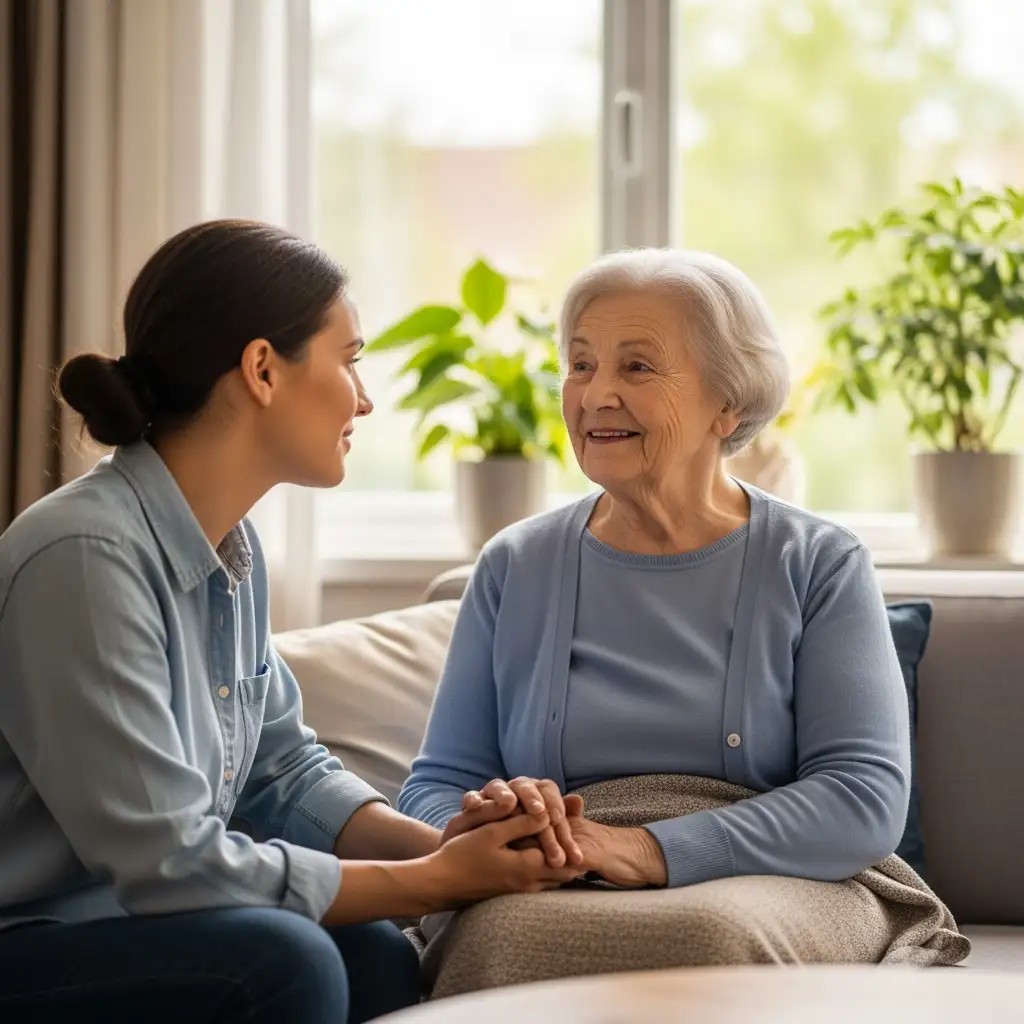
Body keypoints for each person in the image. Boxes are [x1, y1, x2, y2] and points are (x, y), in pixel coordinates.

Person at [0, 221, 584, 1023]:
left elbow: (283, 775)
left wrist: (457, 848)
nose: (366, 396)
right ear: (263, 370)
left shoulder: (231, 551)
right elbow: (169, 864)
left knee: (376, 954)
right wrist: (439, 880)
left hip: (130, 922)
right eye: (349, 359)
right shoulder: (83, 557)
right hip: (32, 936)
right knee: (288, 962)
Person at [400, 249, 911, 952]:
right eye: (581, 365)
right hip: (564, 870)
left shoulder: (819, 563)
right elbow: (438, 781)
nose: (596, 393)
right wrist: (484, 821)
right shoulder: (515, 564)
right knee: (497, 937)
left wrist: (645, 850)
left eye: (635, 367)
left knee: (708, 937)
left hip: (778, 873)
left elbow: (862, 798)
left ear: (728, 402)